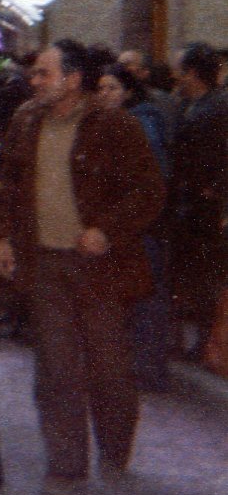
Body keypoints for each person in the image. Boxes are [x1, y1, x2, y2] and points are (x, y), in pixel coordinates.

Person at [0, 40, 164, 495]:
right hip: (45, 264)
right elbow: (6, 186)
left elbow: (148, 191)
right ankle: (66, 466)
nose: (34, 81)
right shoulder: (26, 120)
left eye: (44, 73)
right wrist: (3, 237)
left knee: (109, 367)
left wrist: (107, 230)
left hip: (100, 268)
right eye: (34, 74)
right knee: (56, 368)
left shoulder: (115, 125)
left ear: (72, 79)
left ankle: (114, 449)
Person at [97, 62, 172, 391]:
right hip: (129, 223)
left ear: (128, 92)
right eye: (101, 88)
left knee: (145, 296)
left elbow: (151, 178)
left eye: (112, 88)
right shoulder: (115, 123)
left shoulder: (141, 123)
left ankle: (148, 369)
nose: (105, 94)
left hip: (143, 226)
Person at [168, 41, 228, 359]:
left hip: (204, 208)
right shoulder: (192, 105)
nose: (176, 76)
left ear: (192, 73)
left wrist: (214, 189)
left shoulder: (215, 108)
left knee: (205, 276)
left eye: (180, 70)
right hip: (192, 204)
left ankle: (207, 343)